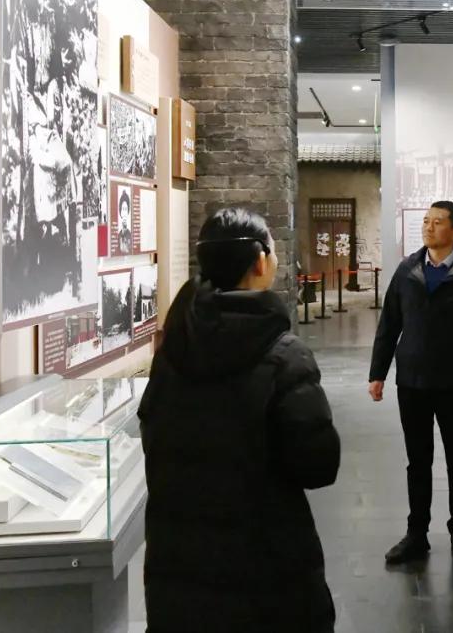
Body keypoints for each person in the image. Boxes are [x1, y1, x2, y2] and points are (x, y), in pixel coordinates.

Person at [139, 208, 340, 633]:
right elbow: (318, 465)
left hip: (181, 568)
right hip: (266, 571)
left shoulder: (172, 351)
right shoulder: (284, 355)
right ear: (261, 262)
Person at [369, 200, 453, 567]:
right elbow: (390, 323)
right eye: (426, 221)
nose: (428, 227)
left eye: (437, 222)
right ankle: (416, 533)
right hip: (411, 380)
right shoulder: (408, 268)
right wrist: (378, 373)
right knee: (417, 460)